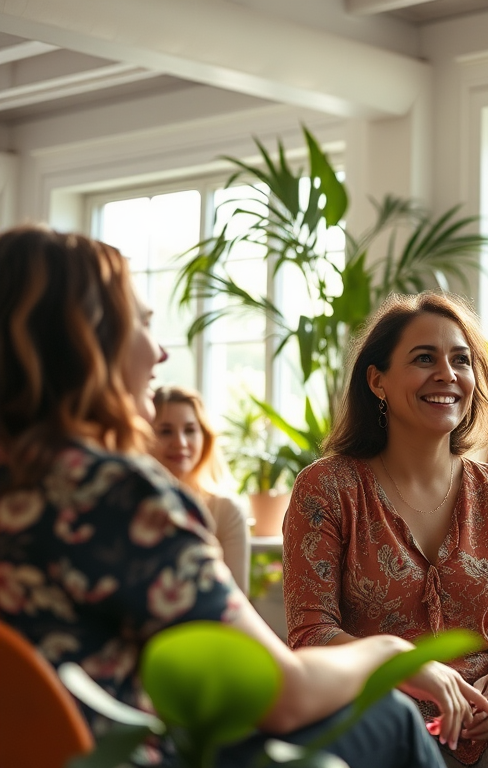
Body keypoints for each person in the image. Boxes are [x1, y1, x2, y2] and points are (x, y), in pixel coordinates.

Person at [0, 225, 446, 768]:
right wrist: (390, 652)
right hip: (115, 755)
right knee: (391, 719)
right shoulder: (116, 497)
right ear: (84, 339)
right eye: (142, 324)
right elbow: (285, 696)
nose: (160, 352)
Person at [282, 293, 488, 768]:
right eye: (424, 358)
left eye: (460, 360)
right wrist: (411, 670)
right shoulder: (326, 487)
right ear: (377, 380)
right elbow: (310, 631)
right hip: (372, 698)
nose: (447, 373)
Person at [151, 385, 250, 595]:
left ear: (204, 438)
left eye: (190, 430)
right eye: (165, 431)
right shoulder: (129, 504)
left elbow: (236, 599)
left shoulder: (226, 511)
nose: (180, 442)